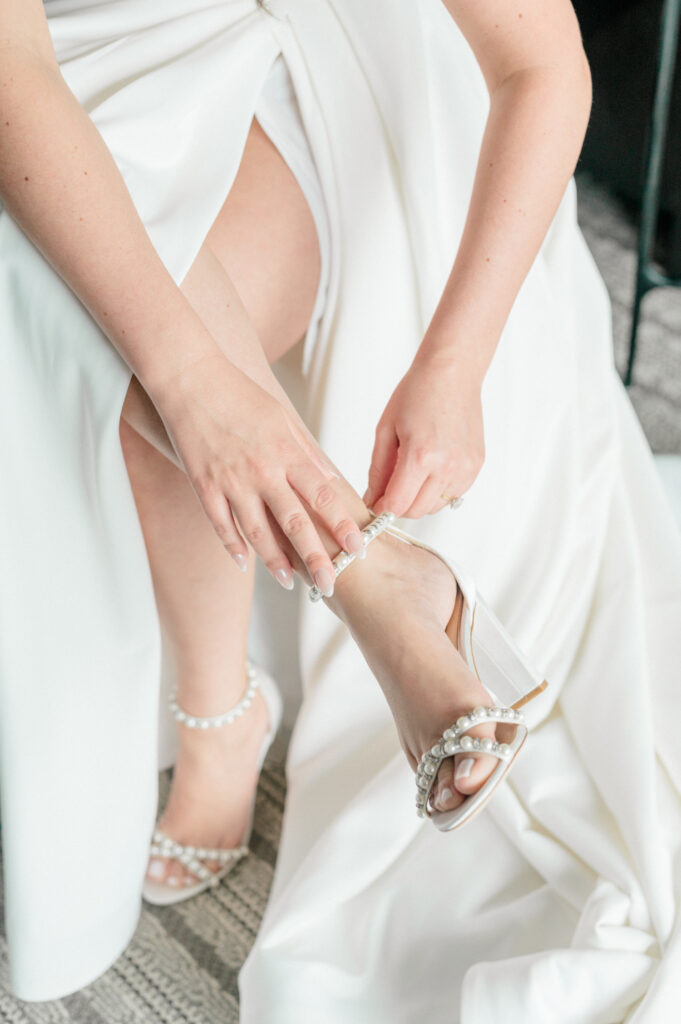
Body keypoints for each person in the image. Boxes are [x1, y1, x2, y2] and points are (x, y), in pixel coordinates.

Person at [0, 0, 679, 1019]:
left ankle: (246, 684)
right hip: (49, 67)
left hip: (267, 60)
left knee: (111, 255)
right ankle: (367, 585)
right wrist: (197, 389)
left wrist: (456, 363)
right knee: (68, 266)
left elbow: (544, 68)